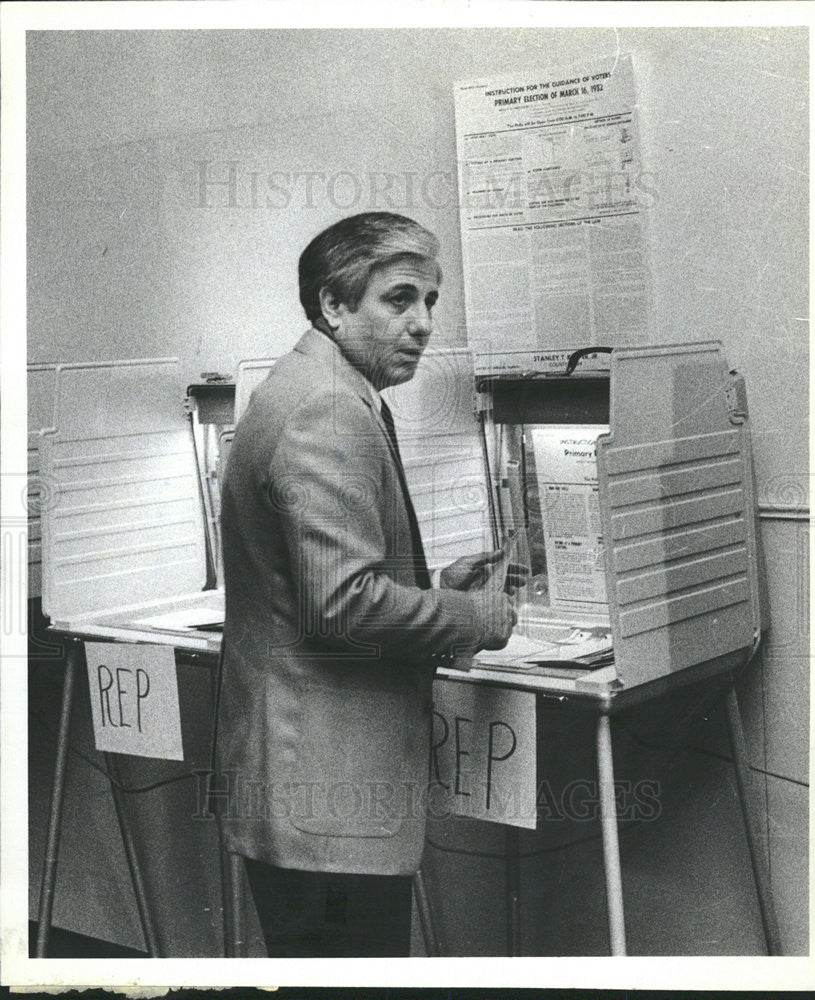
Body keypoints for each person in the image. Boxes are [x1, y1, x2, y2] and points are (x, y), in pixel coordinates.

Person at [215, 211, 522, 957]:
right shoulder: (327, 409)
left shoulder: (313, 386)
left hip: (304, 777)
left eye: (430, 302)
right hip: (324, 786)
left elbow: (325, 578)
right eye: (398, 299)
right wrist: (472, 616)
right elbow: (341, 604)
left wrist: (426, 584)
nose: (421, 324)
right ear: (332, 305)